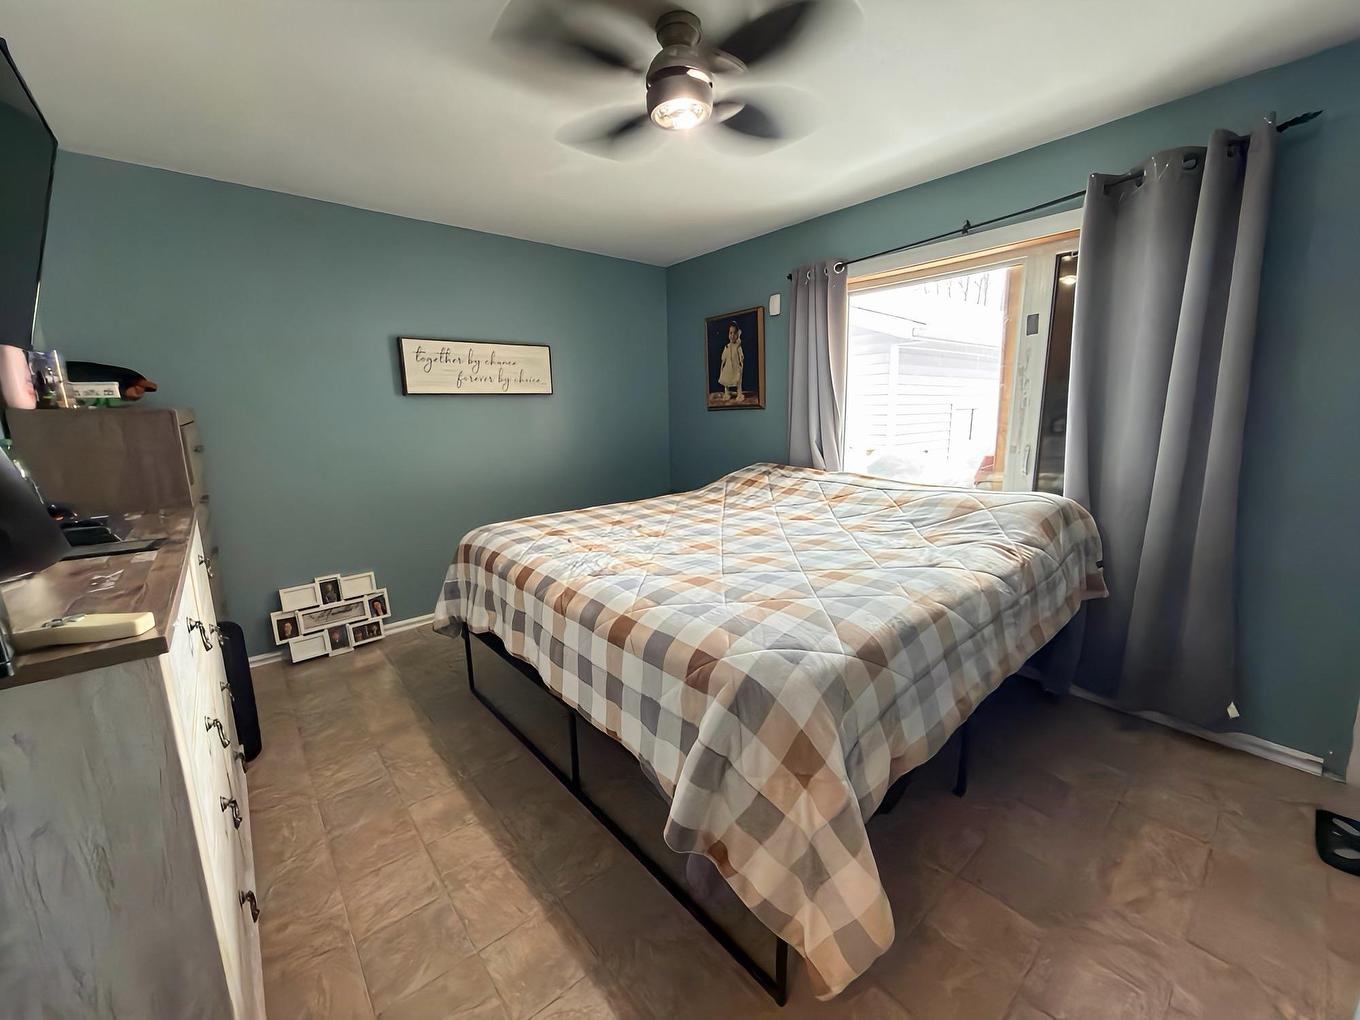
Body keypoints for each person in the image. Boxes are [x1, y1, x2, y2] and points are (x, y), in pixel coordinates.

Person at [717, 322, 744, 402]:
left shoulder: (738, 346)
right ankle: (727, 392)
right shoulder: (727, 346)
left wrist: (741, 363)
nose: (732, 335)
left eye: (734, 333)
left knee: (738, 379)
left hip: (736, 367)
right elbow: (724, 357)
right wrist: (722, 365)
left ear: (737, 335)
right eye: (730, 333)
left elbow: (741, 356)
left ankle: (739, 393)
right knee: (726, 379)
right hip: (728, 367)